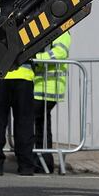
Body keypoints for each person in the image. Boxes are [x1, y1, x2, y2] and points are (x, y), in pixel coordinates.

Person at [0, 0, 36, 176]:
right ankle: (26, 166)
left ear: (1, 7)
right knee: (24, 124)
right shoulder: (30, 25)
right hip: (24, 80)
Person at [32, 30, 71, 173]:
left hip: (49, 88)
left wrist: (36, 58)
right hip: (41, 87)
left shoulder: (62, 32)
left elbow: (60, 52)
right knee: (42, 125)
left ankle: (39, 160)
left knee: (33, 123)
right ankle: (44, 162)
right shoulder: (51, 32)